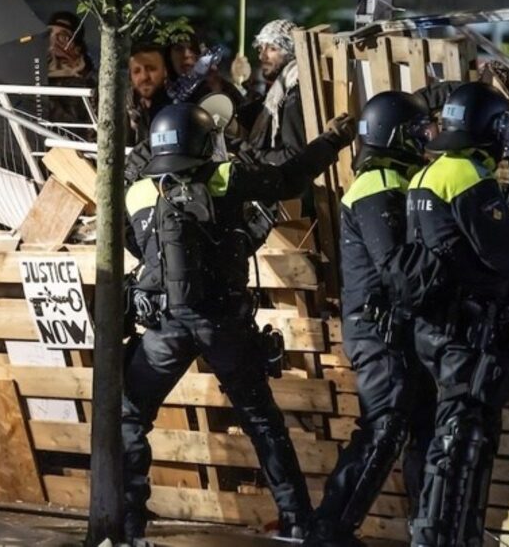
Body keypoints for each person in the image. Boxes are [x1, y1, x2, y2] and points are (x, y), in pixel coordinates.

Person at [121, 103, 356, 542]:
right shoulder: (224, 178)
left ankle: (129, 525)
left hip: (164, 325)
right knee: (261, 421)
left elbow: (136, 247)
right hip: (224, 322)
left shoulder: (136, 192)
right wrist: (332, 140)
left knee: (131, 417)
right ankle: (297, 521)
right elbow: (288, 178)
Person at [403, 82, 509, 547]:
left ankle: (437, 534)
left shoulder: (429, 174)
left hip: (434, 329)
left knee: (443, 438)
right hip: (467, 333)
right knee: (462, 443)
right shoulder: (469, 178)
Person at [309, 91, 437, 545]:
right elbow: (395, 265)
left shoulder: (394, 180)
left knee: (424, 425)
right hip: (378, 330)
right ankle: (330, 529)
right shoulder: (377, 184)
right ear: (394, 136)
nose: (425, 139)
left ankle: (427, 528)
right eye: (418, 132)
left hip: (397, 328)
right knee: (384, 428)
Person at [244, 18, 310, 165]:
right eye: (261, 49)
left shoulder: (294, 92)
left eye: (272, 49)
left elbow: (294, 154)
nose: (262, 56)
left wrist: (254, 156)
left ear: (290, 52)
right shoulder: (279, 90)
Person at [124, 42, 172, 184]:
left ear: (165, 71)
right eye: (137, 71)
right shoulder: (122, 109)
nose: (144, 77)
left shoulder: (175, 108)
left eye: (151, 69)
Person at [44, 11, 96, 130]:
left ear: (77, 48)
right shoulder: (34, 76)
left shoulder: (90, 82)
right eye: (48, 35)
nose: (53, 43)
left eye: (62, 37)